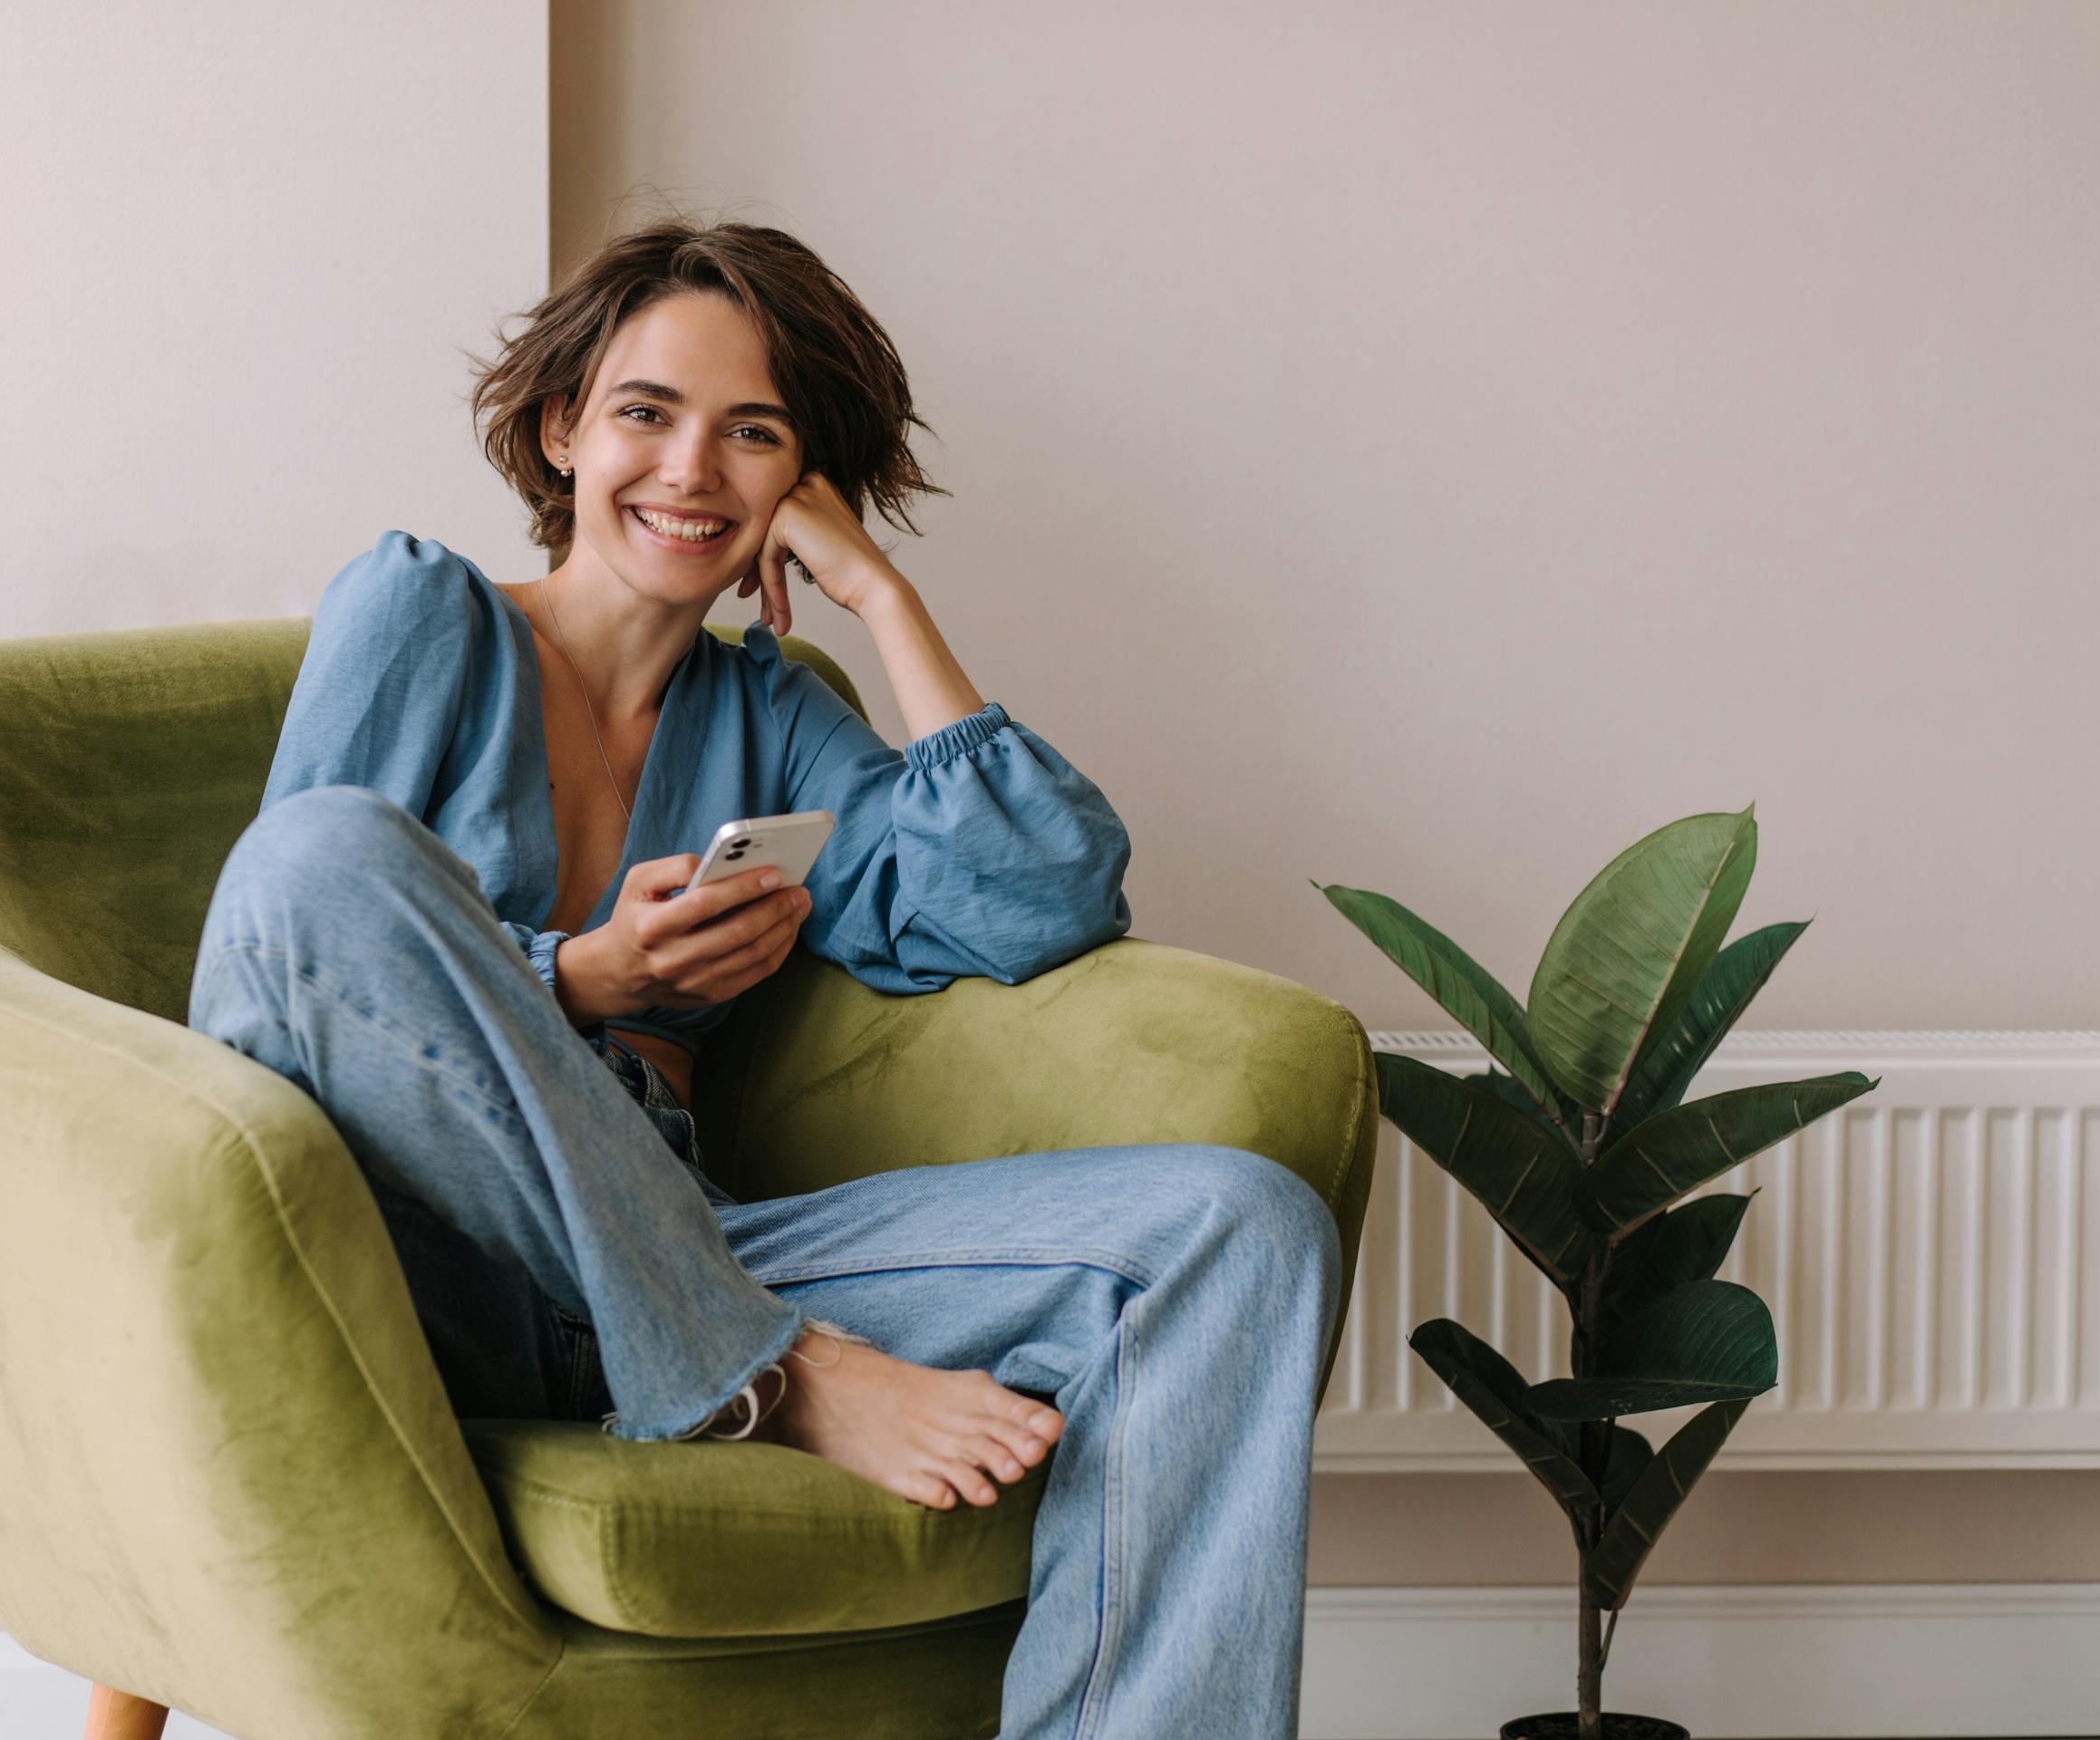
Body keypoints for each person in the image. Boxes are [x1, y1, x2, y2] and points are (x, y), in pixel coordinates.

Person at [86, 220, 1340, 1740]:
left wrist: (882, 600)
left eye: (751, 435)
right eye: (645, 413)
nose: (689, 472)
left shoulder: (776, 716)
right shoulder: (423, 613)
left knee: (1240, 1227)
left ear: (799, 484)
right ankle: (771, 1373)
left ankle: (743, 1359)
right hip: (426, 1268)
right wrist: (576, 976)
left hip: (686, 1236)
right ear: (564, 429)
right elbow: (282, 972)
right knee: (322, 855)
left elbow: (1044, 901)